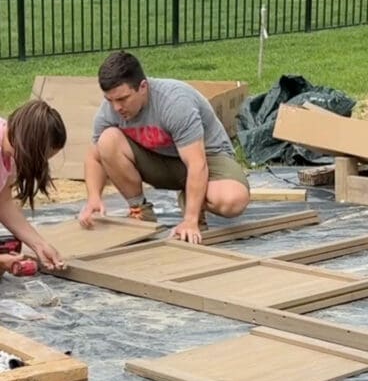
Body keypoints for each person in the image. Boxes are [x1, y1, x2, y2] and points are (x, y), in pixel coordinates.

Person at [79, 51, 250, 243]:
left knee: (232, 201)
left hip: (208, 159)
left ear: (143, 87)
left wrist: (190, 221)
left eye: (123, 99)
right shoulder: (109, 111)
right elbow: (93, 157)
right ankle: (140, 211)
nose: (117, 107)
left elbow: (197, 164)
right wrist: (93, 198)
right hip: (161, 161)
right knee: (107, 140)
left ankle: (193, 203)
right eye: (110, 100)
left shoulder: (174, 103)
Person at [0, 101, 67, 275]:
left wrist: (40, 245)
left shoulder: (10, 148)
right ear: (29, 146)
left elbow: (3, 202)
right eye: (41, 157)